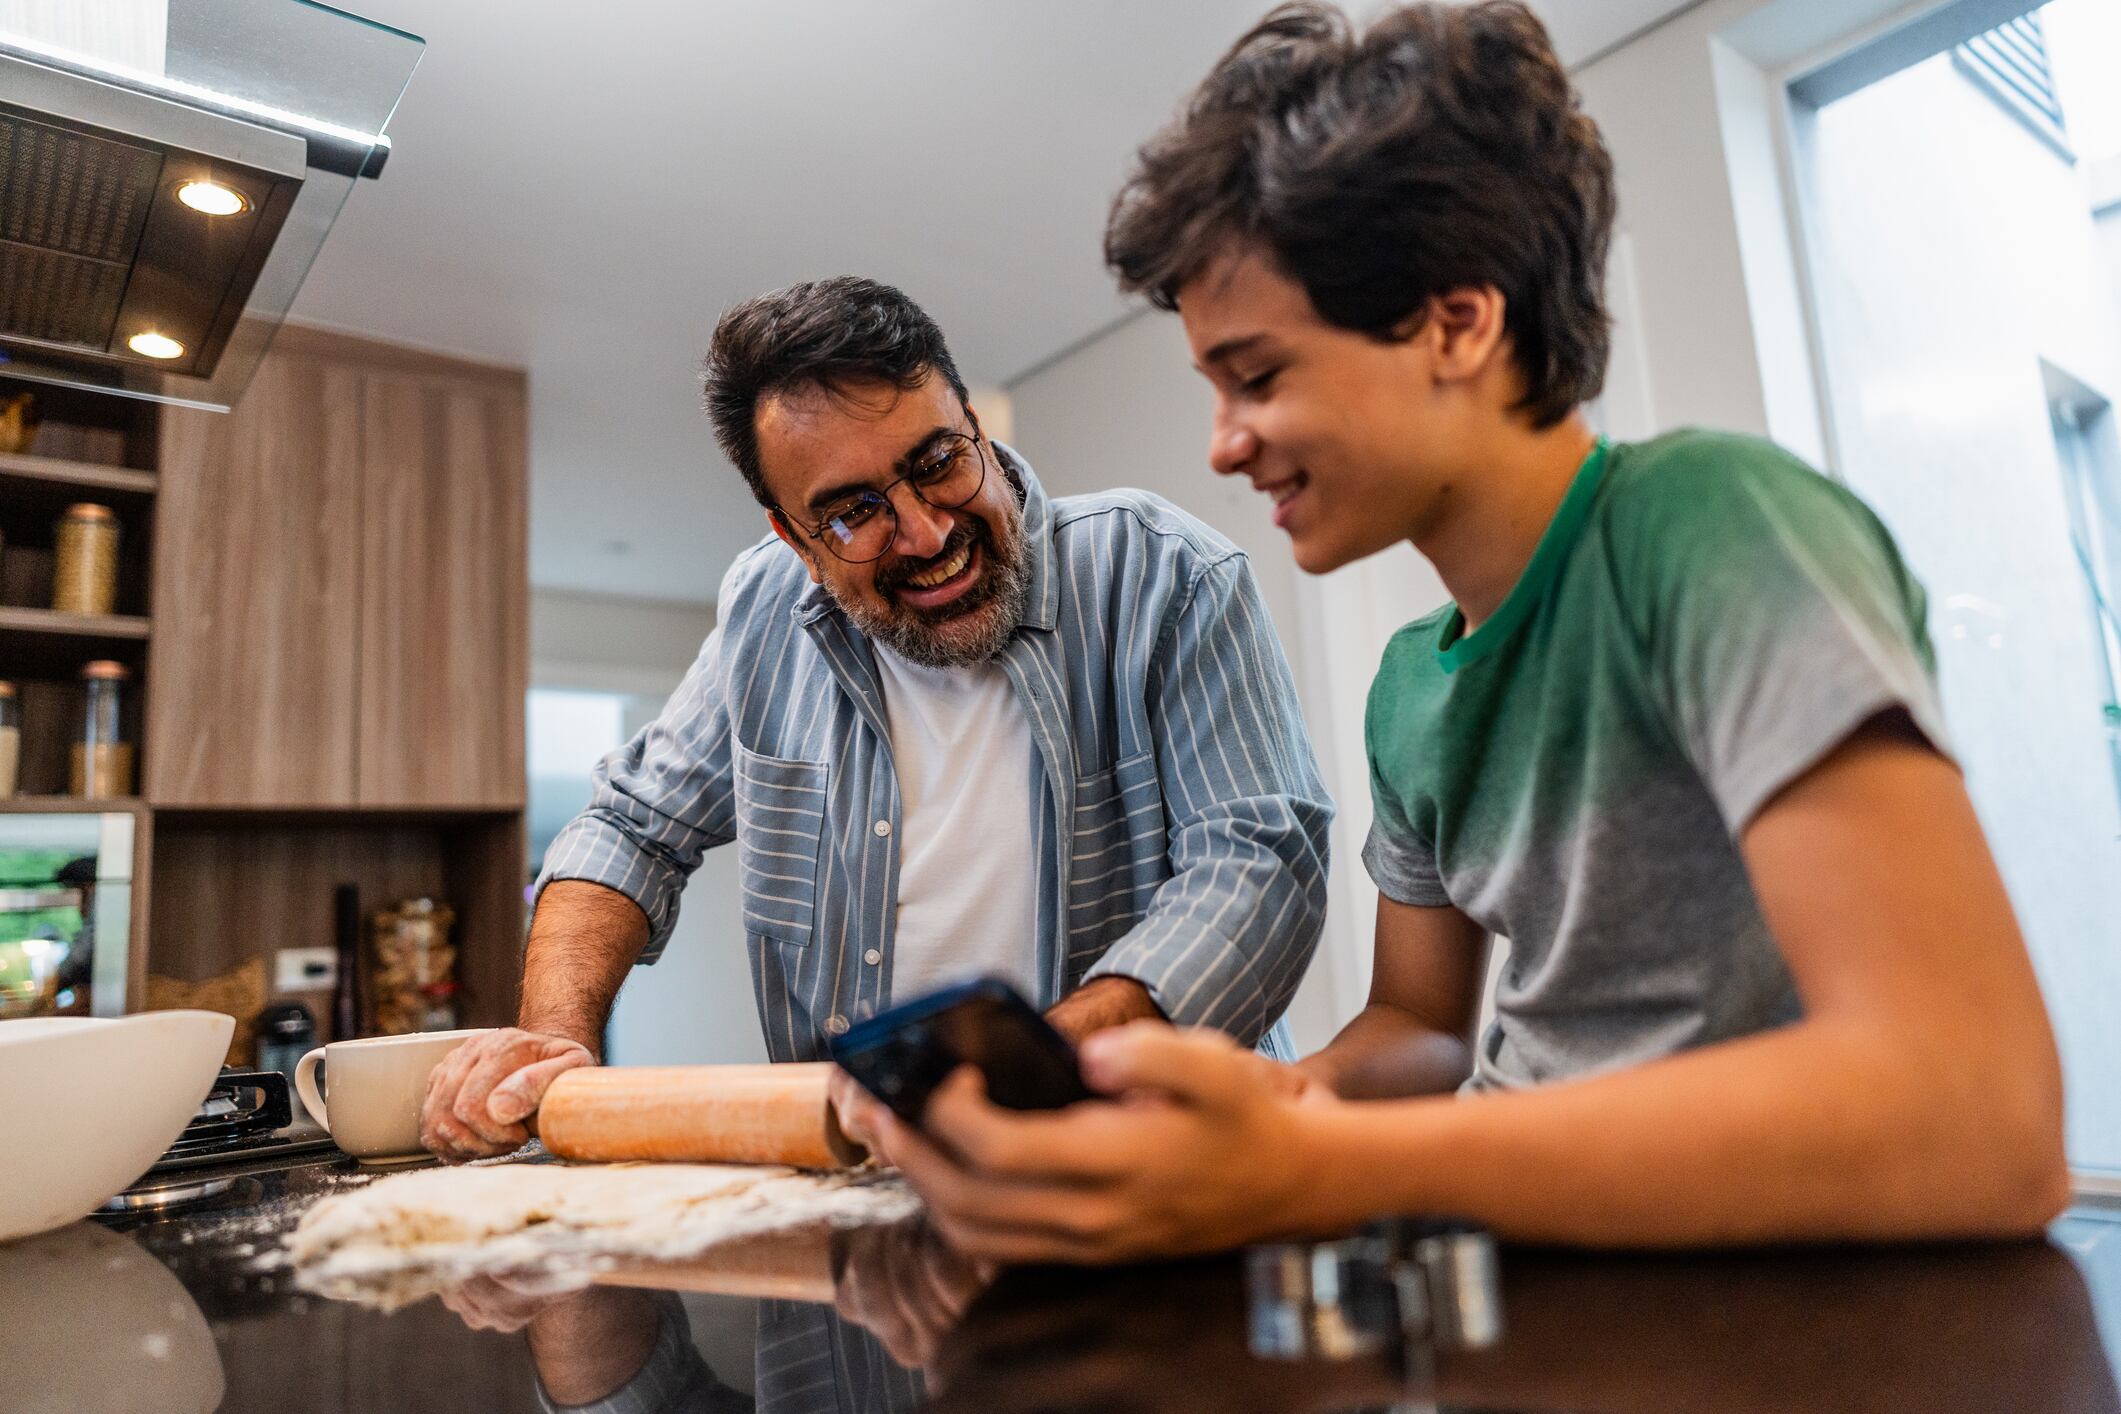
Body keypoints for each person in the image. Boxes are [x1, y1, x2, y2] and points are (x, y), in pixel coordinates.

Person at [883, 0, 2070, 1260]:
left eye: (1260, 375)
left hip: (1753, 1292)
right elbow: (1420, 1022)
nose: (1224, 444)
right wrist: (1257, 1108)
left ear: (1458, 321)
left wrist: (1314, 1164)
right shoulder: (1410, 688)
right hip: (1541, 1274)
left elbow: (1977, 1114)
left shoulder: (1714, 527)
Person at [421, 276, 1332, 1161]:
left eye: (937, 463)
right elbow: (630, 828)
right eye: (856, 513)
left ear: (973, 425)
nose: (928, 533)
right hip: (867, 1190)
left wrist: (1024, 1077)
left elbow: (1255, 865)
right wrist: (552, 1043)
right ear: (797, 542)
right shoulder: (765, 611)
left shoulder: (1162, 574)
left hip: (1167, 1168)